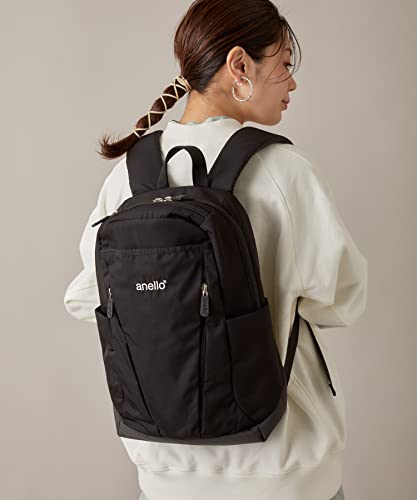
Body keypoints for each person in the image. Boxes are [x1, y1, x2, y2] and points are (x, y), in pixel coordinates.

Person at [64, 1, 367, 499]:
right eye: (284, 64)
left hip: (164, 475)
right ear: (239, 65)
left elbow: (84, 298)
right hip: (284, 473)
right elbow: (343, 300)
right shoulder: (282, 170)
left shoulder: (127, 178)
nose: (292, 82)